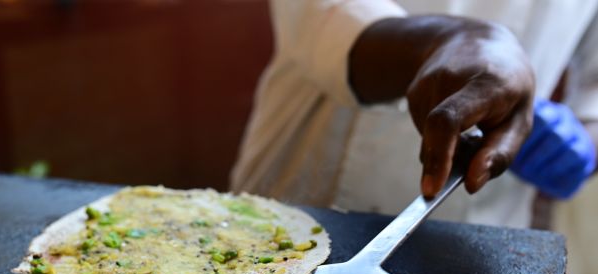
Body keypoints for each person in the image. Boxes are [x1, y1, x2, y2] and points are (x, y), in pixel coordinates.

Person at [231, 0, 598, 229]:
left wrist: (586, 141)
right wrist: (447, 42)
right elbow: (324, 18)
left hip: (489, 237)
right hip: (301, 208)